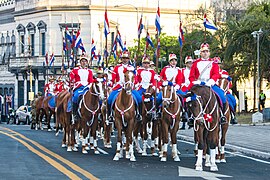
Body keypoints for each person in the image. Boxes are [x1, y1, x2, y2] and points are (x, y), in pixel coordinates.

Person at [188, 43, 227, 124]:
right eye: (203, 51)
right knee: (188, 98)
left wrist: (210, 82)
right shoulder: (195, 63)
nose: (205, 53)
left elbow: (216, 74)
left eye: (207, 51)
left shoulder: (213, 63)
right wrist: (196, 82)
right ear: (200, 53)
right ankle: (191, 116)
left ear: (209, 53)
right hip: (198, 85)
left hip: (210, 84)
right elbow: (191, 76)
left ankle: (222, 115)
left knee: (222, 97)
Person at [107, 50, 142, 121]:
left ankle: (139, 114)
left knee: (139, 99)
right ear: (121, 59)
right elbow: (113, 78)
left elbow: (136, 79)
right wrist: (110, 86)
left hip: (130, 87)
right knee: (110, 100)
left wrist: (135, 85)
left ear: (129, 59)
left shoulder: (132, 68)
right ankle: (110, 115)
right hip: (119, 87)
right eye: (123, 58)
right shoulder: (117, 68)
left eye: (126, 58)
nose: (125, 60)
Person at [70, 56, 93, 123]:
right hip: (79, 87)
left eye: (85, 61)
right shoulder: (75, 70)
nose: (84, 63)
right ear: (80, 62)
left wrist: (89, 86)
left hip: (87, 87)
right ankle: (75, 114)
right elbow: (72, 79)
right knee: (76, 97)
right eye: (82, 61)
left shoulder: (89, 71)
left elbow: (91, 81)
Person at [215, 57, 237, 124]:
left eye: (218, 64)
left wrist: (225, 89)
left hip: (225, 91)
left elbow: (229, 84)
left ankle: (233, 115)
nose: (217, 65)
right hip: (215, 90)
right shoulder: (211, 72)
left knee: (232, 100)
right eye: (215, 64)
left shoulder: (224, 72)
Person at [180, 56, 193, 130]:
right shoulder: (182, 71)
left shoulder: (194, 70)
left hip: (192, 87)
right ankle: (183, 114)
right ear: (186, 63)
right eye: (188, 63)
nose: (190, 64)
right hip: (184, 87)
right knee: (183, 98)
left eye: (191, 63)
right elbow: (180, 79)